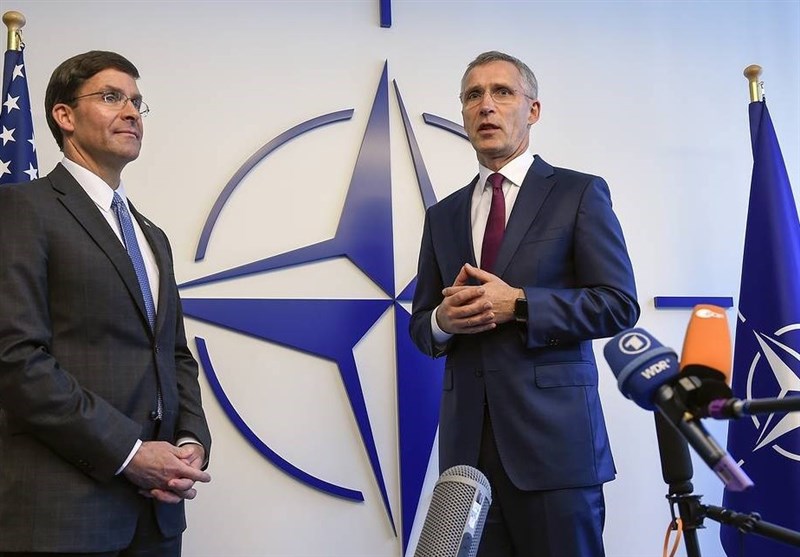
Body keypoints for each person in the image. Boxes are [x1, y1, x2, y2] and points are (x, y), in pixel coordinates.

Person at [409, 51, 640, 557]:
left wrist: (519, 304)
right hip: (467, 461)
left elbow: (618, 304)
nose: (486, 106)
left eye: (502, 92)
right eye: (473, 95)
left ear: (532, 110)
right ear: (463, 113)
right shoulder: (442, 215)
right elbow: (422, 327)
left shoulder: (579, 193)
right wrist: (444, 321)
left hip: (555, 450)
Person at [0, 51, 211, 556]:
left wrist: (191, 440)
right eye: (112, 97)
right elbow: (16, 358)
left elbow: (173, 355)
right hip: (64, 517)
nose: (132, 112)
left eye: (137, 101)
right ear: (65, 115)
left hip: (158, 517)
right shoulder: (22, 208)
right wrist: (130, 453)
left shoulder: (152, 235)